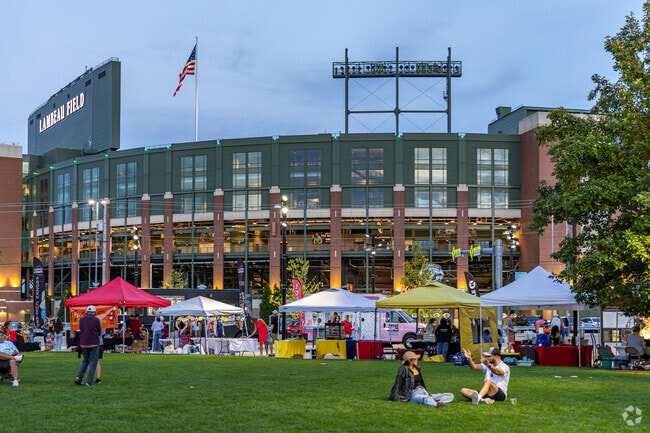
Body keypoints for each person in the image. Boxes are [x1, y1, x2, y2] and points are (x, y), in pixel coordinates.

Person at [388, 351, 453, 407]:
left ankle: (432, 399)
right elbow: (397, 383)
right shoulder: (404, 369)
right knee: (425, 398)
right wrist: (391, 398)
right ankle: (436, 404)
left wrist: (427, 393)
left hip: (424, 391)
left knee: (450, 395)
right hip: (413, 393)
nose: (417, 360)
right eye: (415, 359)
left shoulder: (417, 368)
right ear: (409, 360)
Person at [74, 305, 102, 387]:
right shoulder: (96, 320)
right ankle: (89, 382)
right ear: (94, 312)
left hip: (83, 342)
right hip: (93, 342)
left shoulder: (81, 319)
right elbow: (99, 332)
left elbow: (81, 330)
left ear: (87, 311)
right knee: (93, 362)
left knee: (85, 360)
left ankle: (79, 377)